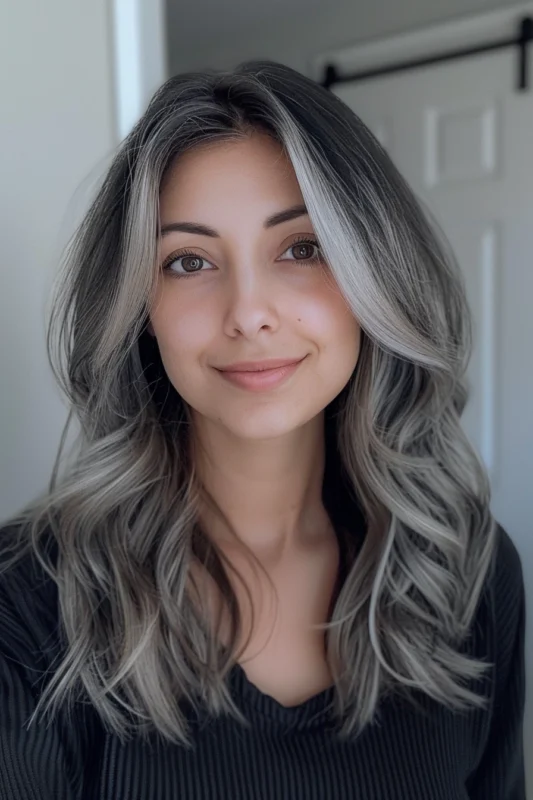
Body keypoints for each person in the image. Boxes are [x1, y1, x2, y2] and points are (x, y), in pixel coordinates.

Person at [0, 59, 526, 800]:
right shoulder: (25, 609)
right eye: (188, 261)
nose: (249, 311)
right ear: (137, 309)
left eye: (300, 248)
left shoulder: (465, 572)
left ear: (374, 274)